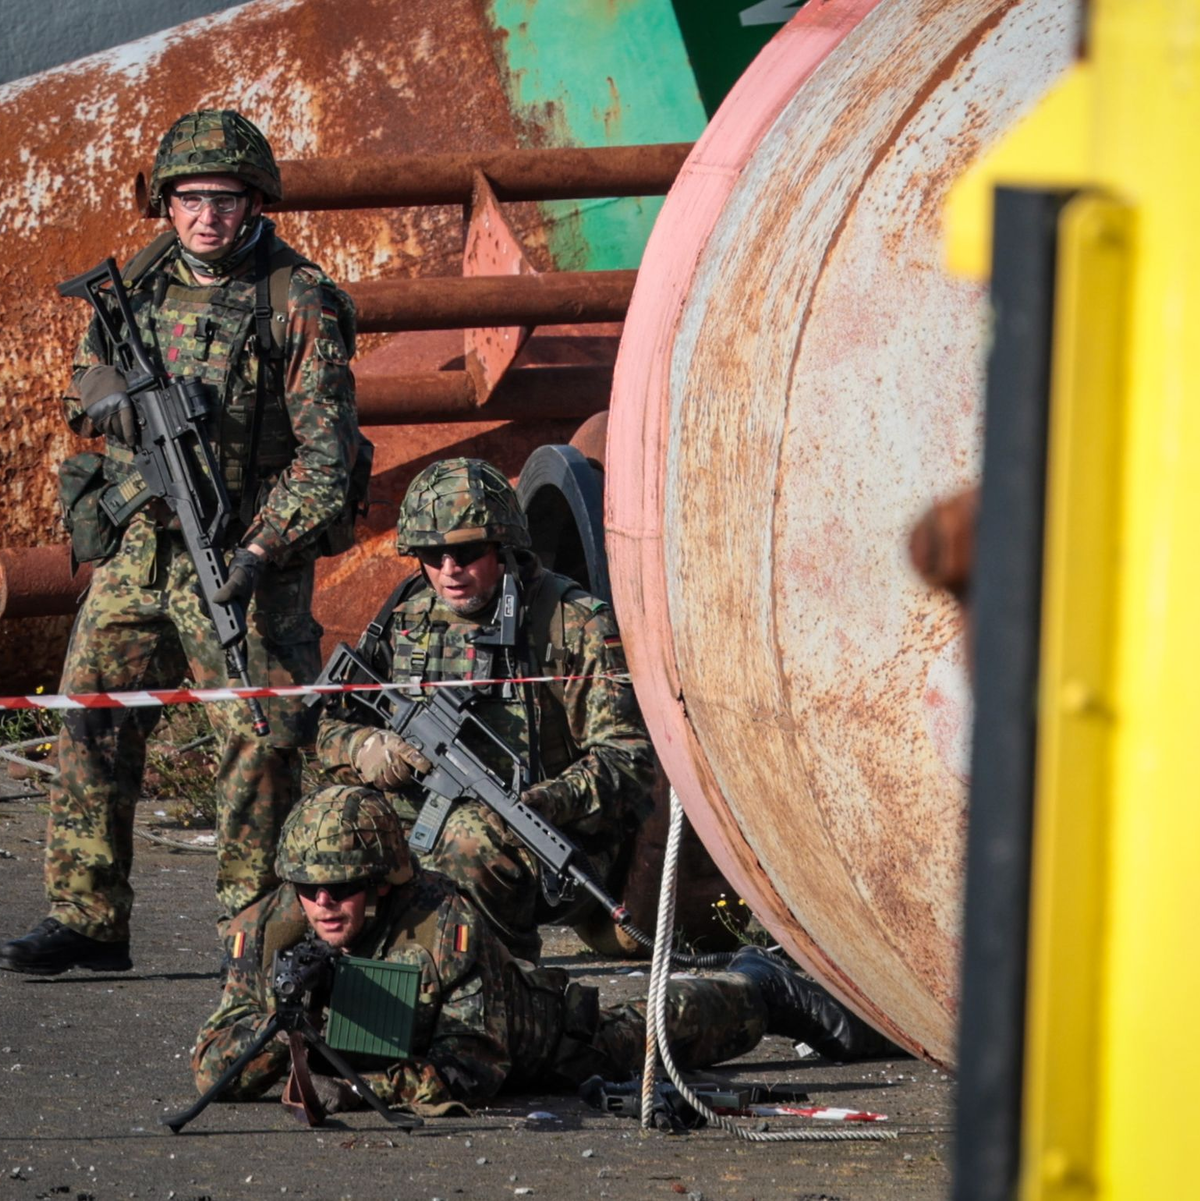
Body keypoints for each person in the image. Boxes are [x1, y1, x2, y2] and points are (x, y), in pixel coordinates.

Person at [0, 110, 361, 977]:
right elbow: (88, 367)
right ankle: (87, 917)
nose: (208, 216)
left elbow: (328, 457)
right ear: (166, 203)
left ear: (255, 200)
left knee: (263, 735)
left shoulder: (296, 299)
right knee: (89, 714)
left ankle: (257, 929)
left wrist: (259, 550)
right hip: (140, 549)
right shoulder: (143, 280)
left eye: (227, 199)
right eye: (191, 198)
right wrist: (111, 398)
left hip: (242, 554)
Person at [192, 788, 894, 1113]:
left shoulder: (443, 924)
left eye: (341, 888)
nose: (322, 904)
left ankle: (762, 985)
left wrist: (349, 1087)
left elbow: (477, 1066)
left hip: (547, 1039)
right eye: (309, 888)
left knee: (653, 1032)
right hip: (417, 1048)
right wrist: (289, 1032)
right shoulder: (270, 931)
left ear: (381, 884)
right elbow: (211, 1059)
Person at [314, 457, 657, 961]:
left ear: (504, 546)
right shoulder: (404, 616)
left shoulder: (570, 622)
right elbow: (327, 726)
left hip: (553, 843)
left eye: (467, 552)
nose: (449, 571)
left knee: (468, 837)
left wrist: (547, 801)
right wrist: (368, 748)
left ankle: (500, 980)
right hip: (418, 819)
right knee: (320, 833)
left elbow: (629, 757)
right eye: (432, 555)